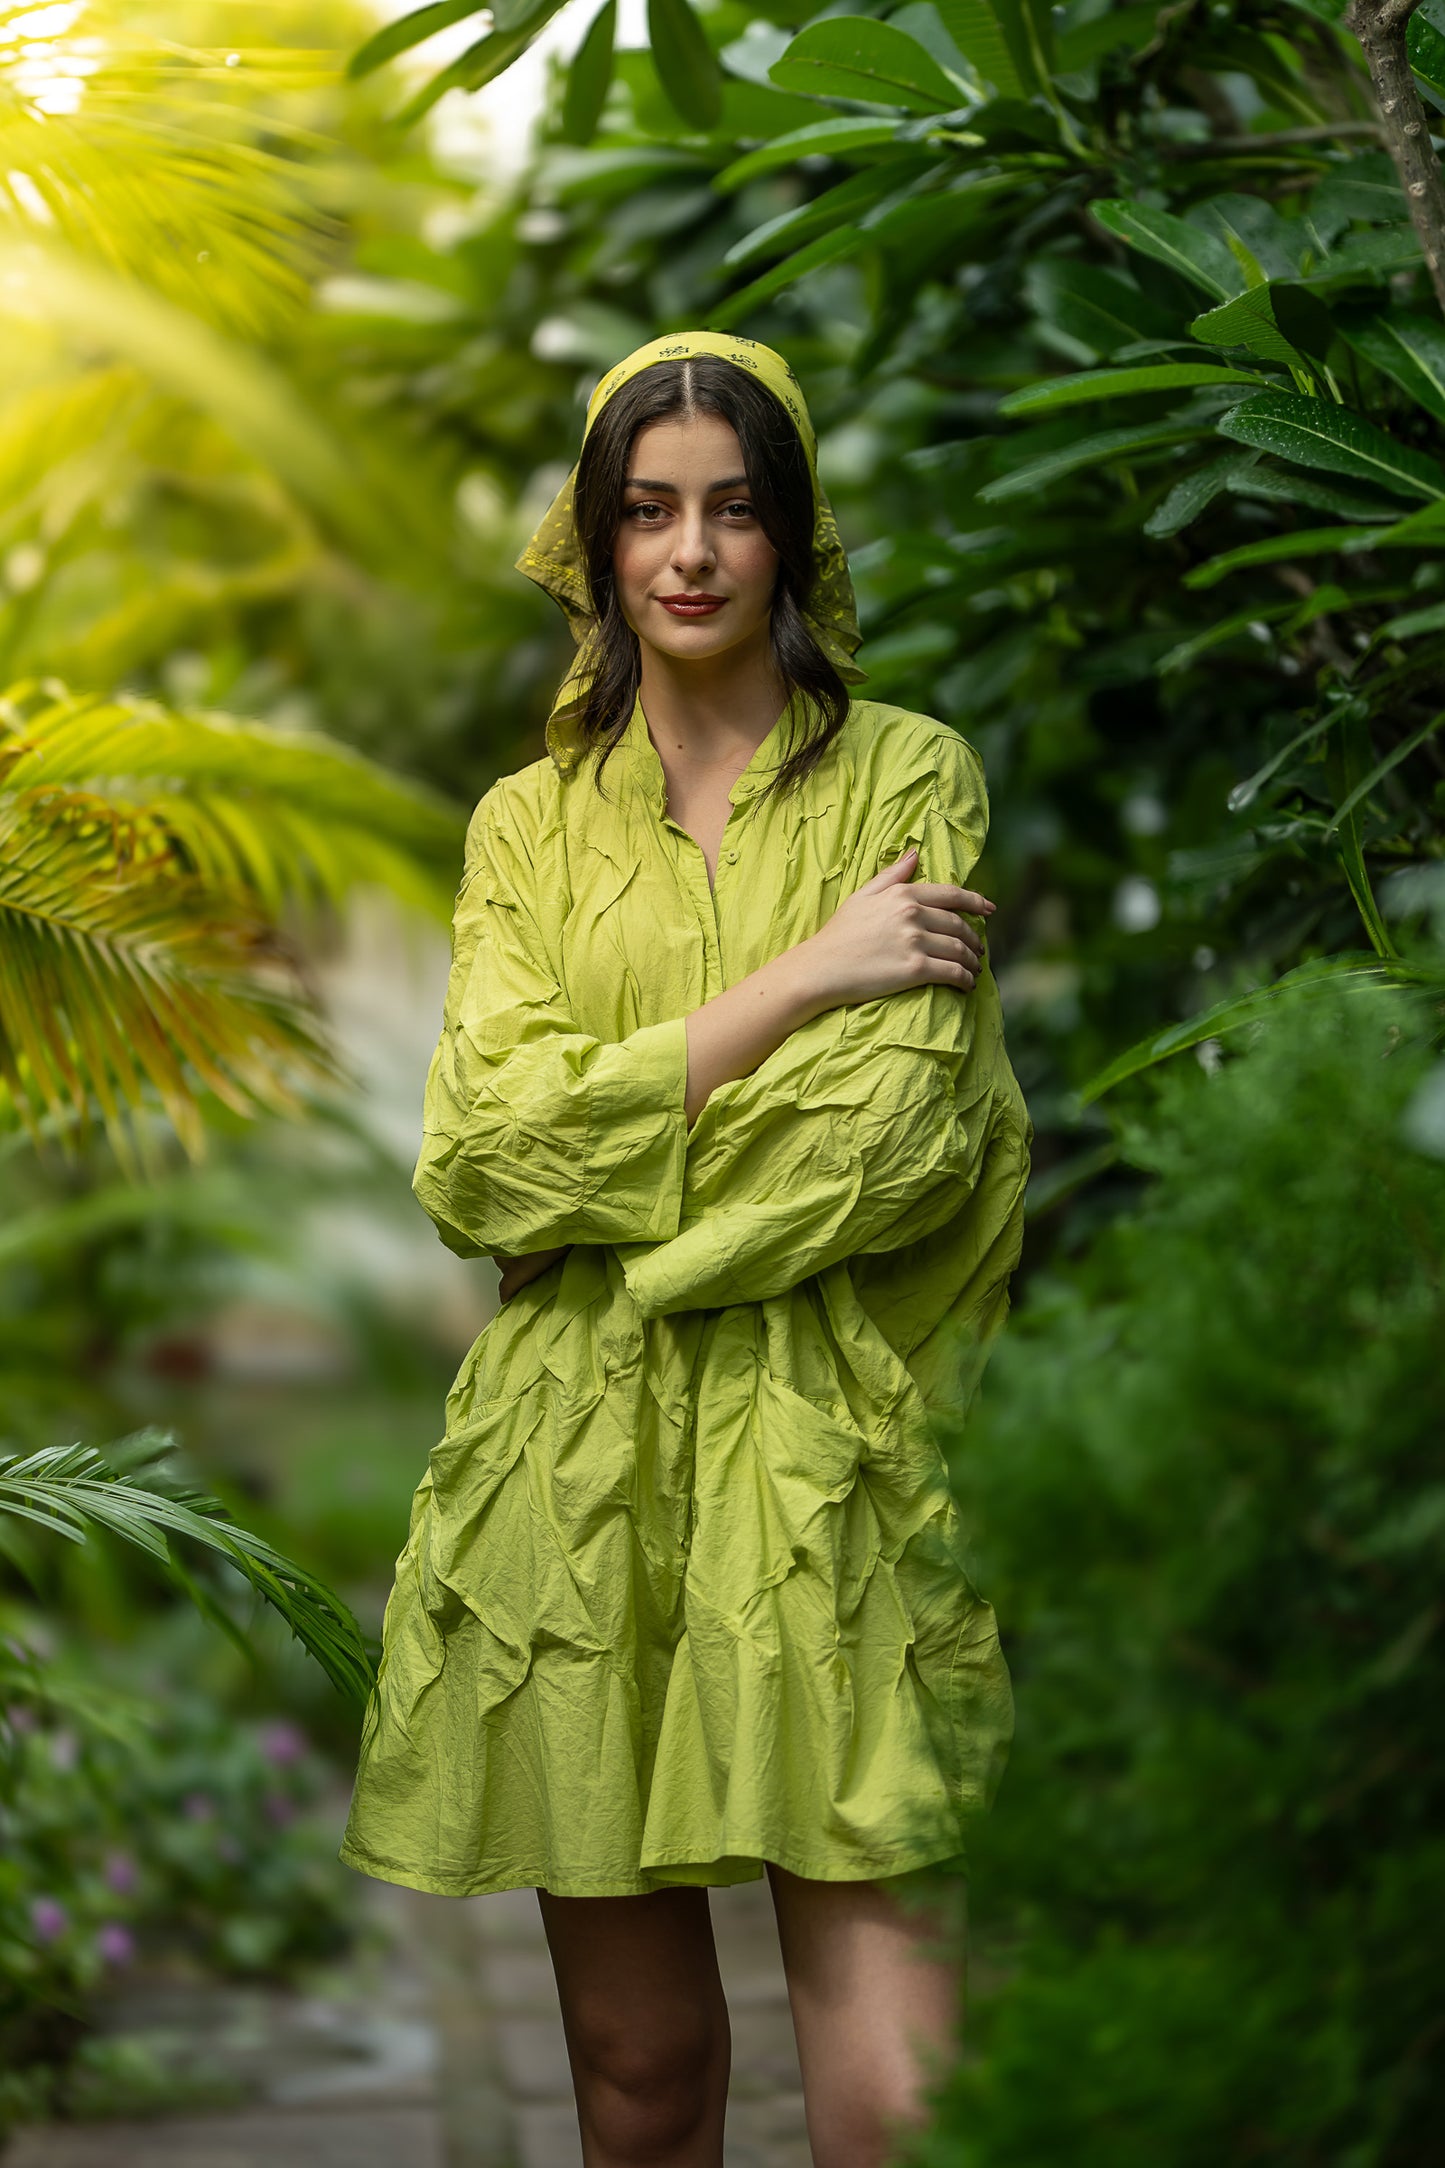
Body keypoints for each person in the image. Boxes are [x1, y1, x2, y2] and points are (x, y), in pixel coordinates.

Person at [339, 331, 1031, 2168]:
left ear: (791, 535)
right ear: (597, 542)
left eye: (734, 508)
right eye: (647, 512)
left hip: (840, 1461)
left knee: (907, 2106)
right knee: (638, 2086)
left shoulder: (908, 778)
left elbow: (886, 1145)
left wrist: (614, 1228)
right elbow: (480, 1159)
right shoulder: (526, 828)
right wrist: (804, 979)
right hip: (575, 1478)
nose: (692, 552)